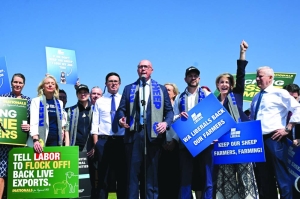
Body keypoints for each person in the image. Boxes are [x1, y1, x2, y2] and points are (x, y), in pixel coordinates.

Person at [115, 60, 174, 199]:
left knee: (151, 175)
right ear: (137, 70)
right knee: (132, 175)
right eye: (140, 67)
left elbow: (169, 111)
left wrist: (165, 124)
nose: (143, 69)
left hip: (153, 136)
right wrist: (121, 119)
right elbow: (121, 110)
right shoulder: (129, 88)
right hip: (134, 135)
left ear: (151, 70)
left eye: (146, 67)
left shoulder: (160, 88)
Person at [215, 40, 258, 199]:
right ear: (218, 85)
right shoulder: (213, 103)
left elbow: (240, 73)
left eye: (227, 82)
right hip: (223, 144)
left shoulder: (237, 95)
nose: (224, 84)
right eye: (221, 82)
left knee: (245, 174)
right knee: (226, 178)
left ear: (231, 85)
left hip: (242, 141)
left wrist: (242, 52)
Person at [250, 66, 300, 199]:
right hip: (258, 141)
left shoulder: (280, 93)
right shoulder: (255, 97)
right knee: (264, 179)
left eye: (261, 76)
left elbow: (297, 109)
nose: (257, 79)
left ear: (271, 78)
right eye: (257, 76)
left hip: (275, 139)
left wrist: (287, 128)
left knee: (281, 177)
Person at [173, 66, 213, 199]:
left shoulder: (207, 95)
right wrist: (179, 117)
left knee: (206, 177)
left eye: (195, 75)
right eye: (190, 75)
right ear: (185, 79)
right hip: (185, 144)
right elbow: (172, 118)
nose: (193, 77)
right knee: (185, 178)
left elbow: (214, 116)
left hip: (205, 143)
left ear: (199, 78)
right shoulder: (179, 98)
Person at [91, 72, 127, 199]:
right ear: (106, 84)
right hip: (104, 141)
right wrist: (96, 144)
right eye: (110, 81)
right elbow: (95, 124)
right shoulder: (100, 101)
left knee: (122, 178)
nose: (113, 83)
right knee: (103, 178)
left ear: (120, 84)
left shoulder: (124, 99)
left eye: (116, 81)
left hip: (121, 141)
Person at [0, 73, 31, 198]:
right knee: (1, 174)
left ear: (24, 85)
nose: (17, 85)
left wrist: (29, 126)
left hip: (20, 144)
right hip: (4, 144)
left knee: (17, 175)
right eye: (15, 82)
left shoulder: (28, 101)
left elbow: (33, 121)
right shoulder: (2, 99)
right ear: (11, 83)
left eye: (20, 83)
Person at [28, 75, 69, 153]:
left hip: (56, 139)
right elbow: (33, 122)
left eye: (52, 84)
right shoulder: (36, 101)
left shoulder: (59, 103)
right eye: (47, 83)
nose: (50, 85)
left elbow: (62, 123)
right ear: (43, 86)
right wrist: (35, 139)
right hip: (41, 139)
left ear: (55, 87)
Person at [158, 83, 180, 199]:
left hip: (176, 145)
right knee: (163, 177)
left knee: (175, 176)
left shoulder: (178, 107)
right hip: (161, 146)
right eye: (164, 90)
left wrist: (174, 141)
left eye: (169, 90)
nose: (166, 92)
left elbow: (182, 126)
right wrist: (163, 142)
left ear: (174, 93)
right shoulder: (157, 107)